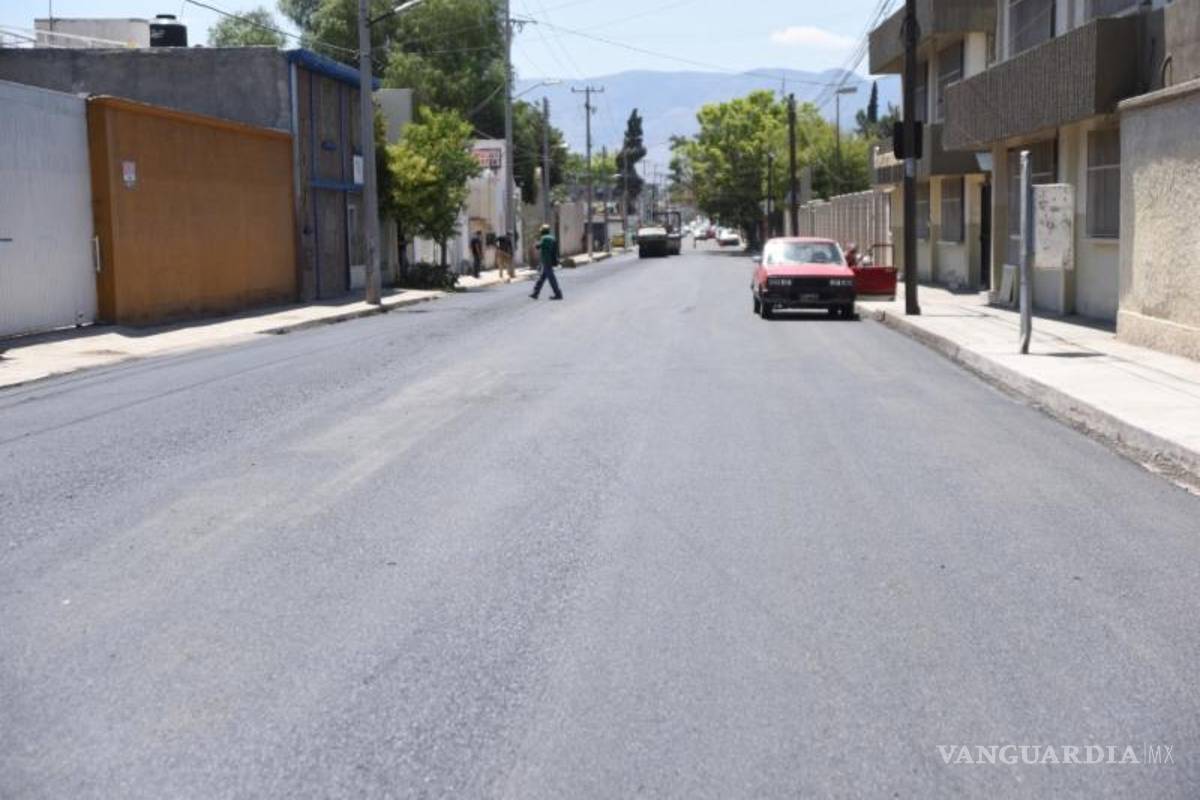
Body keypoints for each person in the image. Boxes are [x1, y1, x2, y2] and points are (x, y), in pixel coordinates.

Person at [530, 224, 563, 300]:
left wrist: (536, 243)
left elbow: (538, 246)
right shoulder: (552, 238)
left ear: (543, 231)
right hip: (550, 260)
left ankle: (558, 294)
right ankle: (535, 293)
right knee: (542, 277)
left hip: (546, 260)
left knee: (551, 278)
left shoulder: (544, 238)